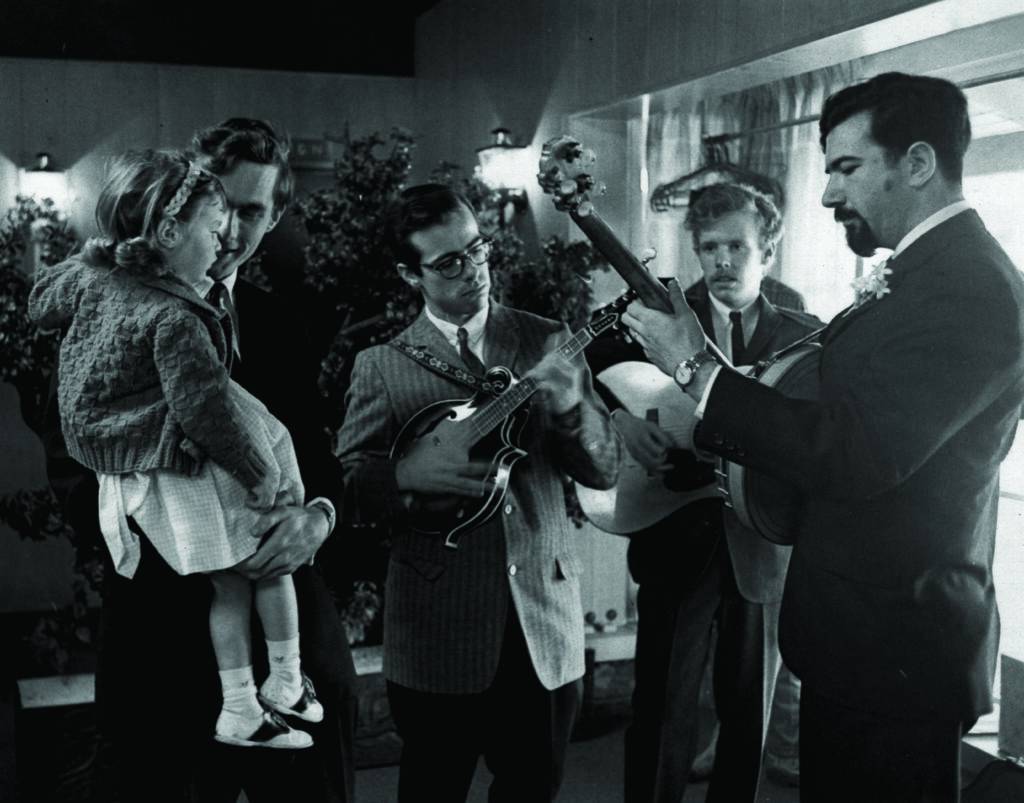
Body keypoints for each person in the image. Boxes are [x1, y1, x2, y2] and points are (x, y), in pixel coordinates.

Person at [621, 71, 1024, 802]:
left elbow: (855, 451)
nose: (829, 193)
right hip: (858, 639)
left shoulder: (973, 287)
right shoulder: (922, 272)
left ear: (919, 164)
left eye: (846, 167)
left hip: (896, 648)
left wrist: (694, 369)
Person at [42, 120, 356, 802]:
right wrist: (184, 531)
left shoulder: (284, 321)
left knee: (327, 717)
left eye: (252, 211)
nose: (233, 229)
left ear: (273, 218)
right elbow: (68, 472)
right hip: (161, 598)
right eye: (222, 204)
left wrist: (318, 518)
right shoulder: (106, 305)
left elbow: (320, 456)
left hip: (279, 586)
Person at [333, 183, 622, 802]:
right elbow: (346, 491)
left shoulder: (548, 338)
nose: (474, 272)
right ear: (410, 275)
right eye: (448, 263)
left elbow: (605, 472)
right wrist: (401, 476)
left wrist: (572, 406)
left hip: (543, 624)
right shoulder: (380, 365)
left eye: (478, 249)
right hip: (437, 632)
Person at [585, 182, 821, 802]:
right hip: (673, 531)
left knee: (748, 711)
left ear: (766, 248)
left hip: (760, 540)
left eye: (736, 247)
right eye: (708, 247)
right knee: (661, 703)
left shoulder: (805, 332)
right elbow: (588, 370)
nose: (721, 261)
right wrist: (620, 418)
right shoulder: (656, 312)